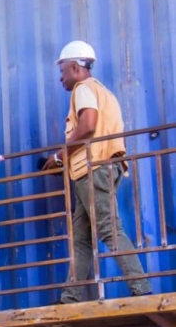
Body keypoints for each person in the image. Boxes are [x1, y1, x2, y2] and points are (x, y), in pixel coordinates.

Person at [43, 41, 151, 303]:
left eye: (63, 70)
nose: (61, 77)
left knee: (109, 228)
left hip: (94, 170)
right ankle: (70, 298)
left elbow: (88, 125)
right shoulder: (104, 91)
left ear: (74, 66)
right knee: (81, 238)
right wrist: (65, 162)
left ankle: (142, 290)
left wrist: (60, 156)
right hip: (93, 171)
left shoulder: (83, 88)